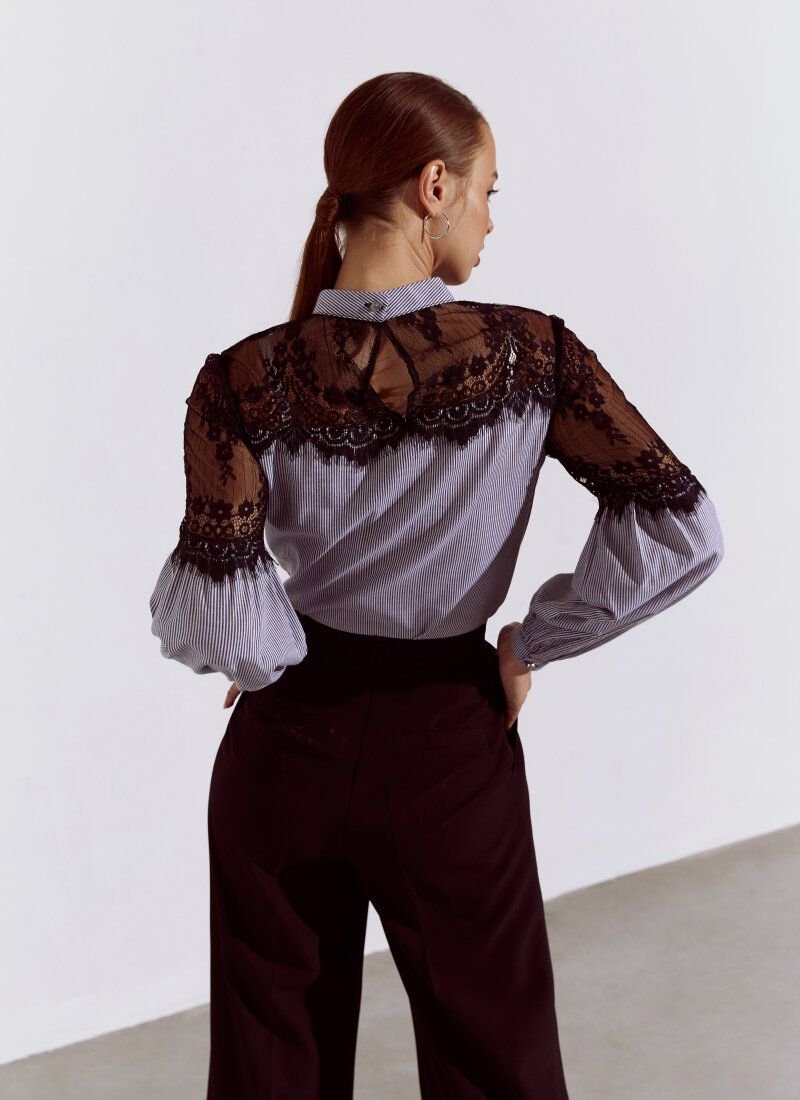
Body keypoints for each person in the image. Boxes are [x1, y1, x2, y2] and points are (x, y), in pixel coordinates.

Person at [149, 71, 724, 1100]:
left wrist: (274, 657)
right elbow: (680, 527)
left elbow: (221, 611)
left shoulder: (243, 376)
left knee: (269, 1071)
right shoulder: (532, 355)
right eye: (487, 191)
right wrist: (528, 642)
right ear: (433, 187)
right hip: (449, 752)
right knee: (495, 1066)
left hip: (281, 757)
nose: (491, 219)